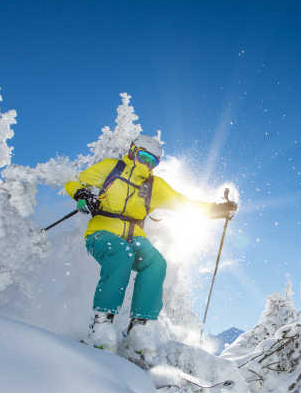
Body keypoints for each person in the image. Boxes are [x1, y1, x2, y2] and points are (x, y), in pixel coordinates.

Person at [64, 135, 237, 351]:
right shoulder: (111, 168)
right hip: (102, 231)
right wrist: (81, 194)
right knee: (121, 254)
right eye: (144, 157)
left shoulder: (154, 186)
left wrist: (217, 209)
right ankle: (101, 324)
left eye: (153, 161)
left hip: (134, 236)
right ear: (133, 152)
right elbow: (75, 181)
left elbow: (184, 203)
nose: (147, 164)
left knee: (156, 263)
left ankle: (139, 327)